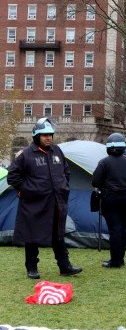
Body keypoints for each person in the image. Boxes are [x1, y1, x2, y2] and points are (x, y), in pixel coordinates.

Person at [7, 118, 82, 279]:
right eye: (44, 135)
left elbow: (66, 171)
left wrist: (64, 187)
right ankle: (32, 268)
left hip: (56, 202)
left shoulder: (57, 151)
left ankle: (65, 266)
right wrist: (25, 191)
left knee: (58, 234)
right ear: (36, 136)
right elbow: (13, 177)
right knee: (31, 235)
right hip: (34, 204)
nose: (48, 138)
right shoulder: (26, 154)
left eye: (50, 135)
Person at [92, 133, 126, 269]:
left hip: (111, 198)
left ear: (108, 148)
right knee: (122, 228)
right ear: (123, 147)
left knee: (115, 229)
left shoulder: (104, 162)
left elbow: (96, 181)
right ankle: (120, 259)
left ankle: (115, 261)